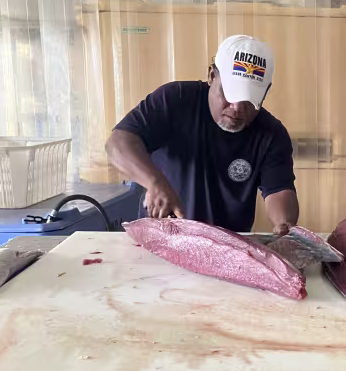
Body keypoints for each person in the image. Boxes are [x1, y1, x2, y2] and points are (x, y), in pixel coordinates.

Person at [106, 35, 299, 234]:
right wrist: (154, 181)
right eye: (229, 93)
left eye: (249, 100)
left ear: (266, 91)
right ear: (211, 76)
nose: (237, 108)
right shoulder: (175, 100)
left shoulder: (271, 134)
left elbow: (279, 190)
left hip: (228, 244)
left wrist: (284, 225)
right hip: (161, 235)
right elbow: (118, 143)